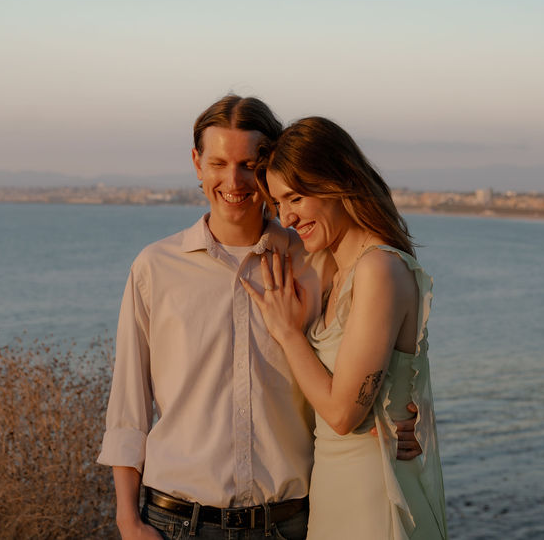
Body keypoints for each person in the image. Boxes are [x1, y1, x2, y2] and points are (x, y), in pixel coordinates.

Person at [98, 96, 422, 540]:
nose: (234, 180)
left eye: (249, 164)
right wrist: (127, 519)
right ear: (197, 164)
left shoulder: (317, 262)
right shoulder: (154, 268)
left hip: (289, 523)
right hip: (177, 523)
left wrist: (405, 419)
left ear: (270, 169)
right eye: (218, 163)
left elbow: (377, 353)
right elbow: (128, 405)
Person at [242, 116, 448, 539]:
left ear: (337, 181)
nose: (287, 218)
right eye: (279, 204)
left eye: (296, 197)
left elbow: (340, 413)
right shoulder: (337, 270)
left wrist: (287, 333)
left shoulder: (379, 269)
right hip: (334, 489)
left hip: (372, 495)